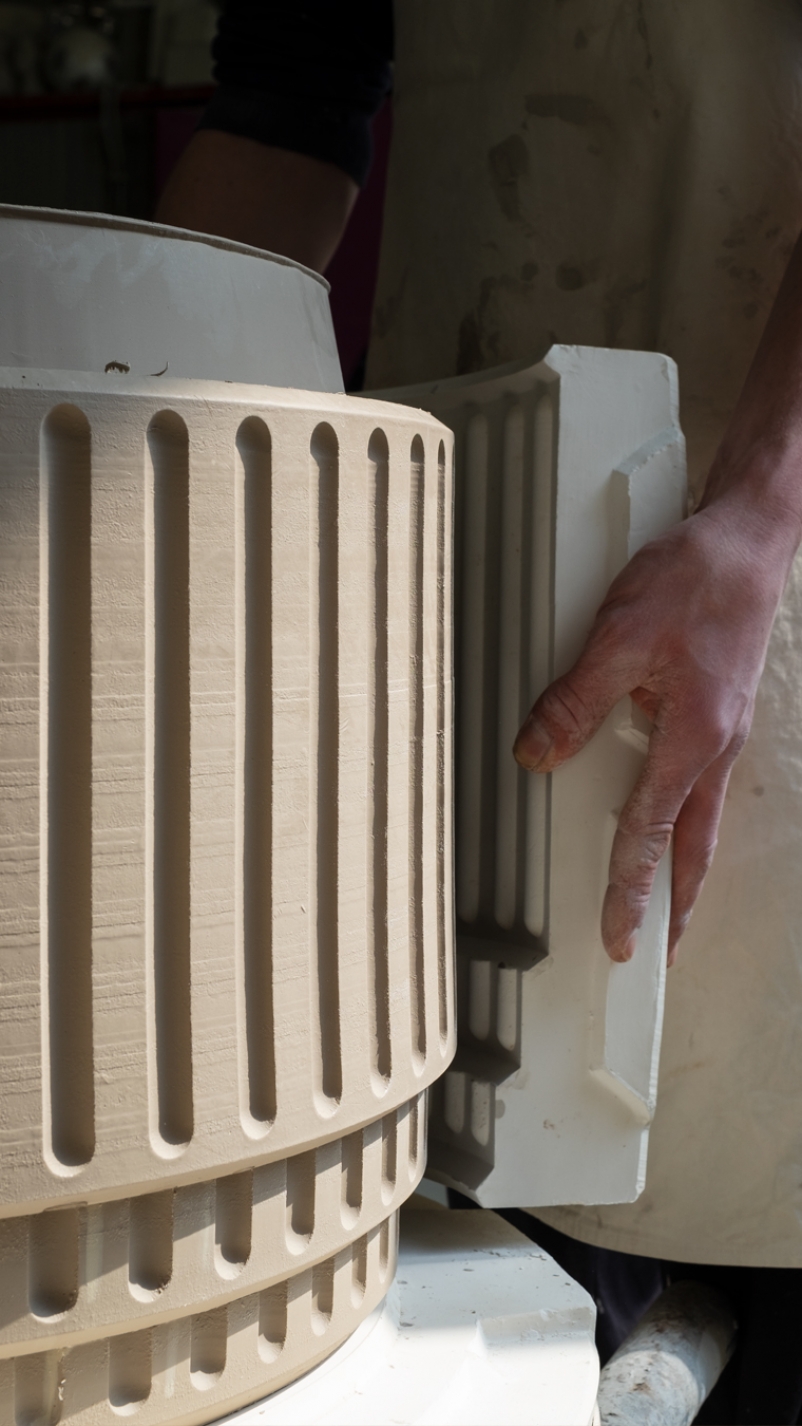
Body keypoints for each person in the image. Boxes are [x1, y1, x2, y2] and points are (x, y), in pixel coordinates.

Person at [157, 4, 802, 1419]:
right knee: (525, 1154)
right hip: (478, 503)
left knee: (748, 1158)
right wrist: (120, 432)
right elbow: (289, 104)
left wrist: (762, 513)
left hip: (758, 522)